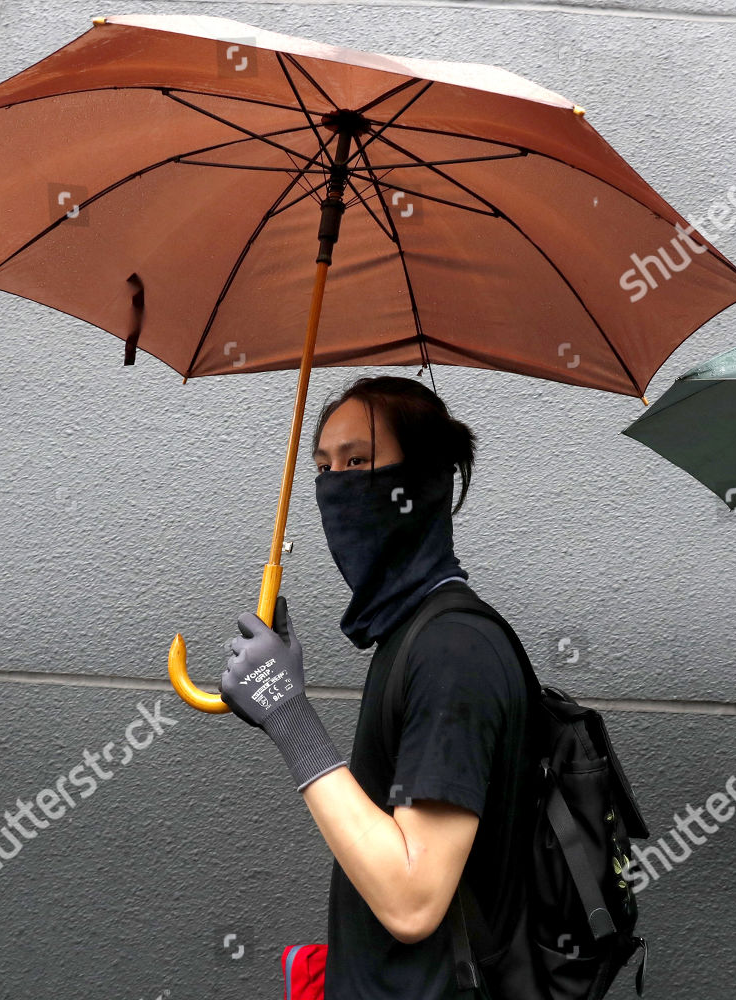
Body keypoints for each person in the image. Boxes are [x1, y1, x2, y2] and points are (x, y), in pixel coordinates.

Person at [218, 375, 535, 999]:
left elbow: (413, 901)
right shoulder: (411, 636)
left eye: (359, 462)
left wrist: (290, 718)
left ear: (424, 481)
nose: (338, 485)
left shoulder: (454, 652)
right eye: (324, 466)